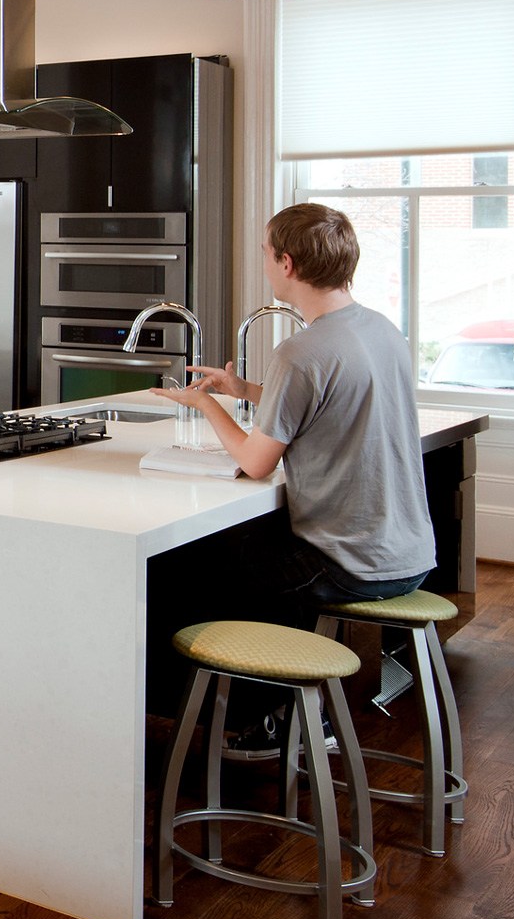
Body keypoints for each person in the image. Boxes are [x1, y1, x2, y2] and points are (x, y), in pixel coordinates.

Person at [152, 203, 436, 748]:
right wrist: (246, 392)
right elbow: (331, 400)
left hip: (350, 563)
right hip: (408, 553)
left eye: (265, 253)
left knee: (194, 569)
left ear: (286, 263)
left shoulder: (301, 350)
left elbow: (255, 462)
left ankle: (281, 722)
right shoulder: (381, 330)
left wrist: (205, 406)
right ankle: (301, 711)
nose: (263, 263)